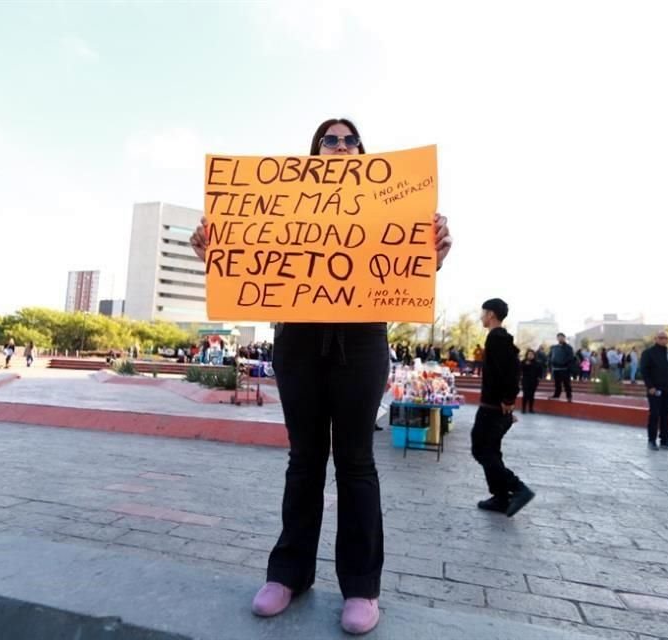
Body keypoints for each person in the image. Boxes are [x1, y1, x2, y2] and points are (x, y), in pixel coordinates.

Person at [189, 117, 452, 635]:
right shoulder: (283, 207)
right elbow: (248, 267)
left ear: (363, 155)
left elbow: (404, 267)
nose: (341, 145)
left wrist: (433, 251)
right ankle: (288, 574)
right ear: (314, 152)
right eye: (329, 139)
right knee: (304, 460)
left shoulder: (392, 208)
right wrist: (214, 253)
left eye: (351, 140)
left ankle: (361, 587)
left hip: (361, 342)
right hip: (299, 343)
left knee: (356, 462)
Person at [473, 298, 535, 516]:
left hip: (492, 407)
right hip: (494, 405)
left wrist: (508, 400)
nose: (481, 316)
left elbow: (509, 372)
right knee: (491, 450)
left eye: (483, 313)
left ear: (491, 314)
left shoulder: (496, 338)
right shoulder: (500, 338)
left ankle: (517, 488)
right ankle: (500, 497)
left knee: (480, 448)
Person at [640, 331, 668, 451]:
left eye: (665, 338)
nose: (663, 340)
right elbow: (644, 371)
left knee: (666, 415)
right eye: (661, 338)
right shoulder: (648, 353)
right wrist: (650, 386)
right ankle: (652, 440)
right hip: (655, 390)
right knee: (654, 414)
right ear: (655, 339)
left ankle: (665, 440)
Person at [548, 333, 575, 401]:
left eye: (561, 337)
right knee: (557, 384)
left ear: (564, 338)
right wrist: (551, 362)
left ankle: (569, 396)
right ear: (557, 338)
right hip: (556, 369)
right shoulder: (554, 347)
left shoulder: (568, 347)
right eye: (559, 337)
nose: (560, 338)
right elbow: (550, 356)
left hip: (565, 369)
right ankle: (556, 395)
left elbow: (570, 358)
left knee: (567, 384)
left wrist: (564, 363)